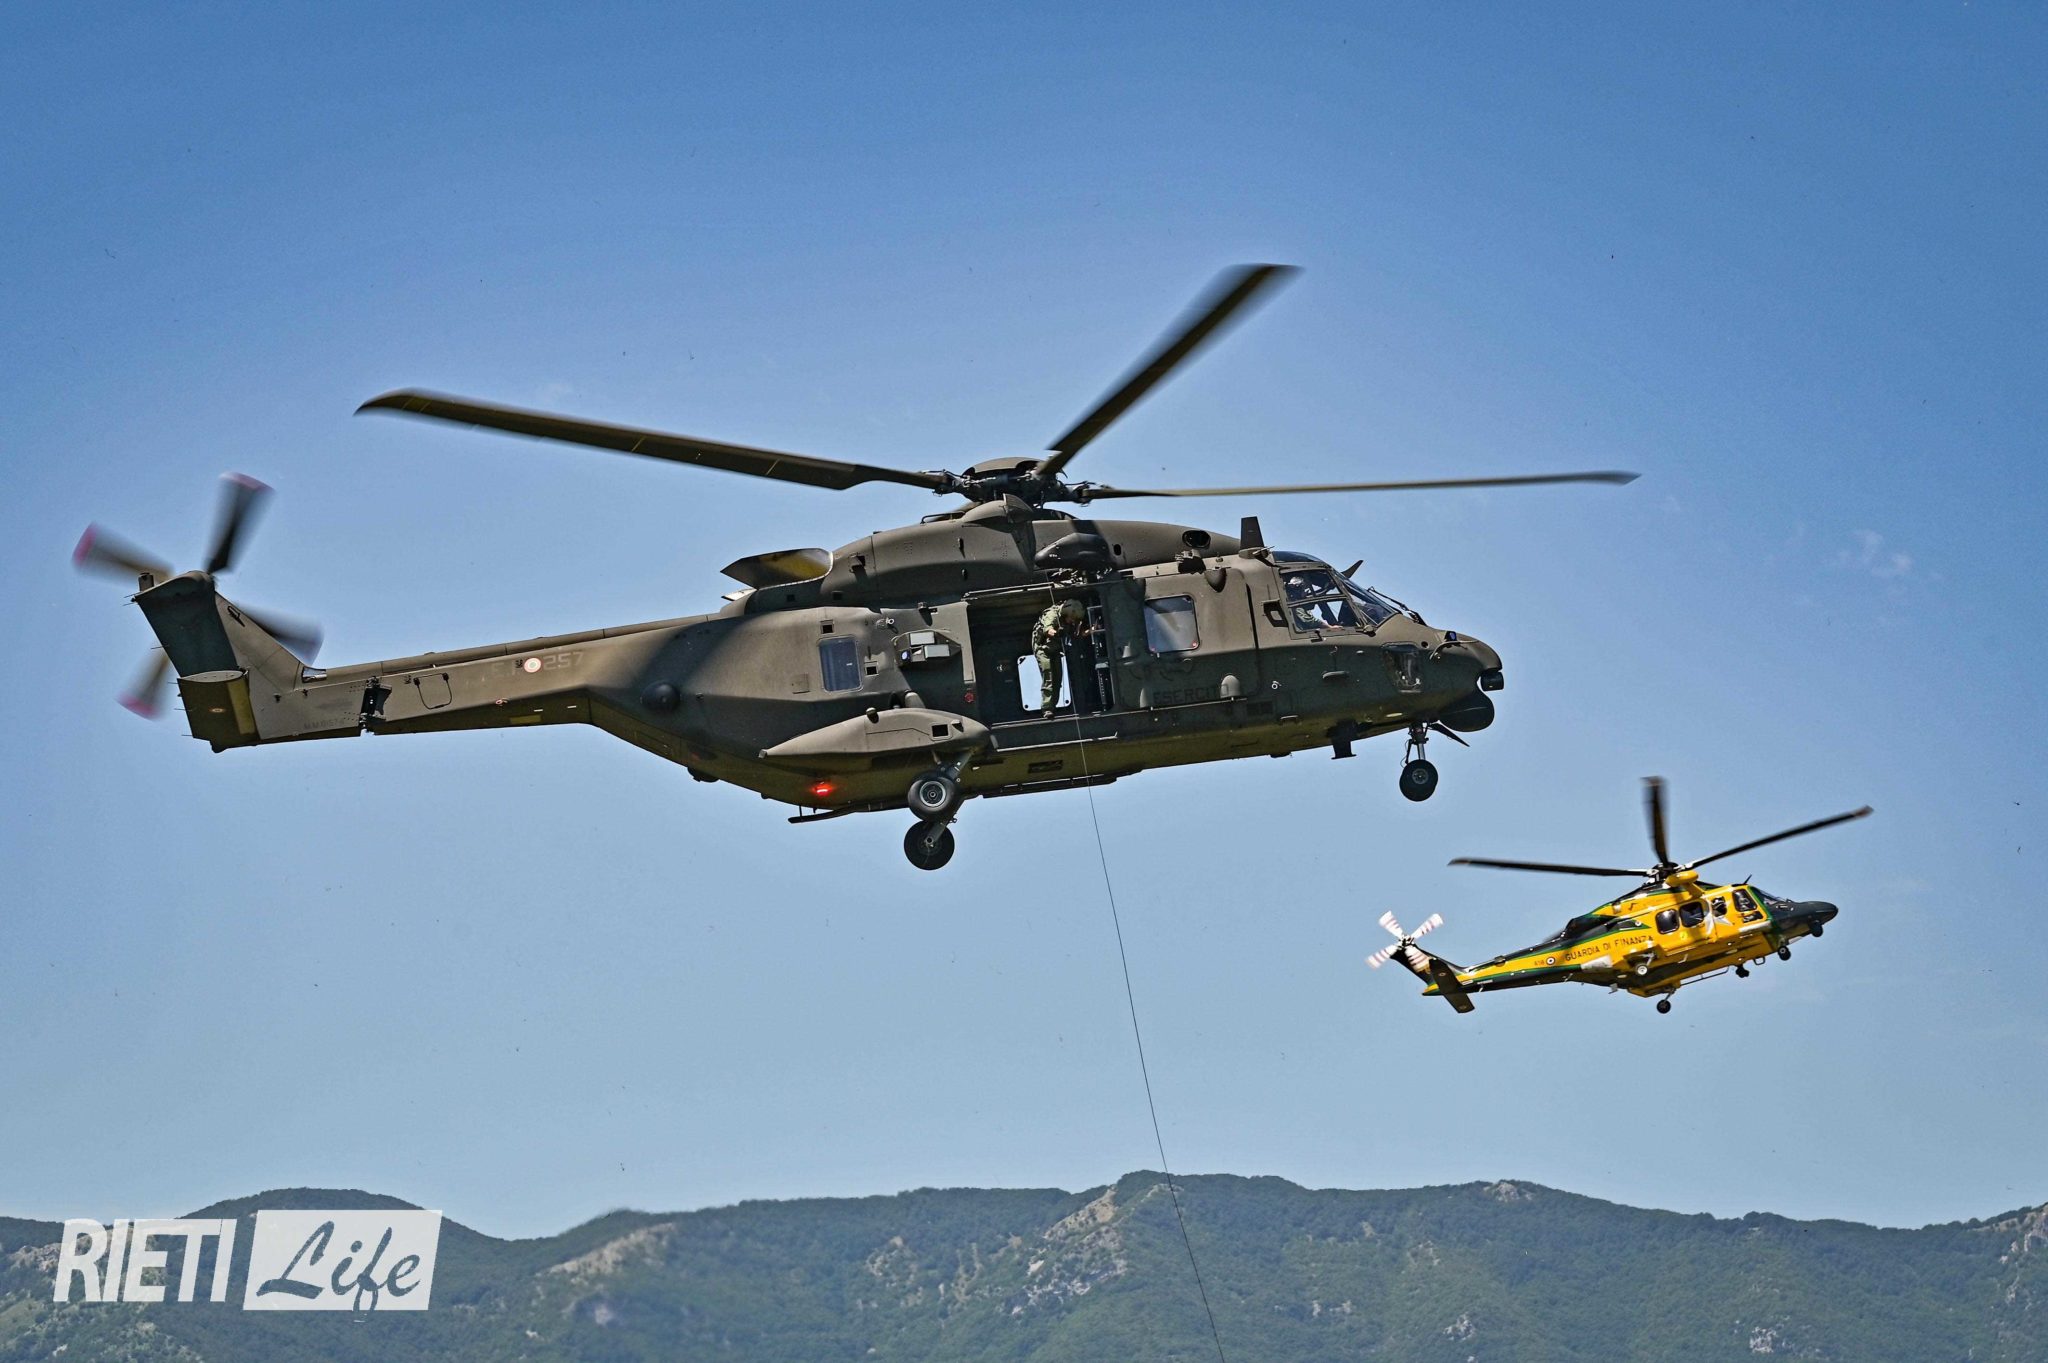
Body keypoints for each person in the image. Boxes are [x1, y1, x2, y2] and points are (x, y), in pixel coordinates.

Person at [1030, 599, 1090, 713]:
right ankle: (1047, 708)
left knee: (1057, 677)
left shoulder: (1069, 621)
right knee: (1048, 674)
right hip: (1042, 648)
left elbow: (1077, 634)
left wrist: (1091, 630)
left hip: (1055, 649)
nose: (1072, 621)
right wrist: (1057, 633)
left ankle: (1053, 706)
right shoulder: (1052, 614)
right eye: (1071, 618)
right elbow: (1048, 629)